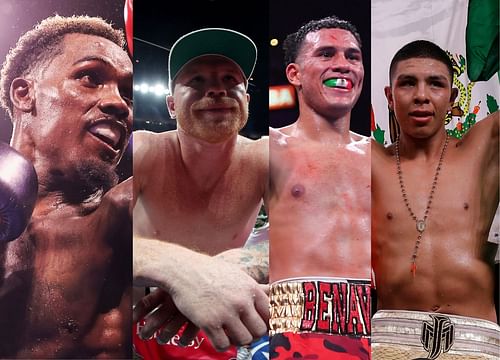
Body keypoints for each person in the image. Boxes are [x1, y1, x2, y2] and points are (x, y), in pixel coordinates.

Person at [0, 15, 133, 358]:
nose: (120, 104)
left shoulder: (123, 213)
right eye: (90, 77)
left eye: (127, 93)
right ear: (24, 94)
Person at [132, 28, 270, 357]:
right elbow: (89, 237)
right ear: (170, 105)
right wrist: (183, 270)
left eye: (230, 79)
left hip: (223, 312)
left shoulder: (265, 156)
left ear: (246, 100)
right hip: (137, 319)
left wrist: (241, 262)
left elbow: (304, 238)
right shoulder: (142, 150)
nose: (216, 90)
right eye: (196, 81)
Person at [371, 40, 499, 359]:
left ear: (452, 97)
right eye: (408, 83)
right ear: (389, 96)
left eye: (436, 84)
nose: (421, 96)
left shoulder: (483, 148)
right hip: (393, 337)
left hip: (475, 337)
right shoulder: (368, 160)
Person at [268, 16, 371, 359]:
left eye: (353, 56)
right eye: (326, 54)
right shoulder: (268, 148)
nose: (343, 64)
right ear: (294, 74)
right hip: (292, 323)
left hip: (374, 325)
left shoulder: (383, 157)